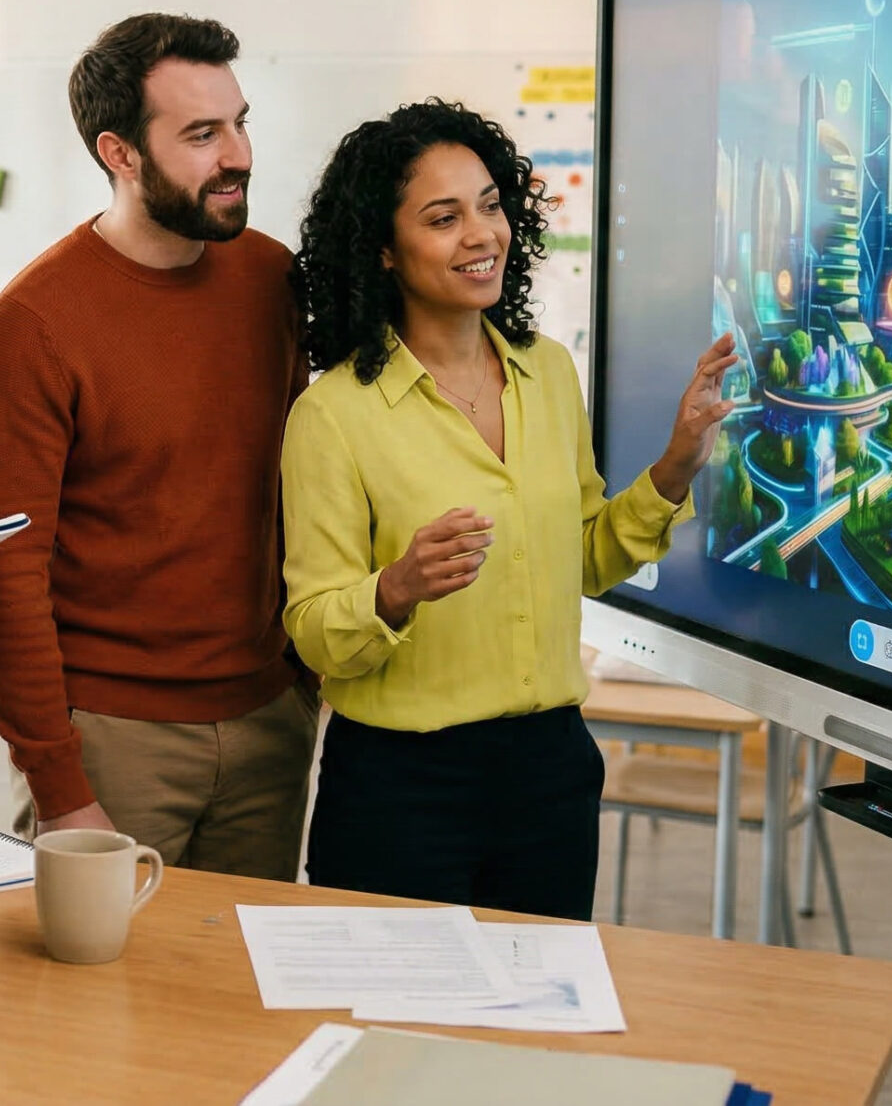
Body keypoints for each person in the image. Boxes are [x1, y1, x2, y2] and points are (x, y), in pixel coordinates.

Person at [280, 98, 735, 918]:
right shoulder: (334, 414)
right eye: (443, 218)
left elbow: (586, 559)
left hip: (548, 777)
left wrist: (676, 465)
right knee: (400, 1004)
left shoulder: (547, 372)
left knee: (541, 999)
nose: (481, 234)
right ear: (382, 248)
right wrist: (396, 587)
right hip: (401, 790)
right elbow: (313, 628)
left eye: (490, 206)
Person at [0, 13, 313, 879]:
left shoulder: (272, 280)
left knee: (240, 965)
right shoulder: (35, 321)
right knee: (99, 971)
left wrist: (300, 684)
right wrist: (56, 778)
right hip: (112, 740)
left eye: (239, 123)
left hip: (269, 721)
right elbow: (8, 572)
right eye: (201, 134)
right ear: (119, 153)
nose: (238, 154)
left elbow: (299, 492)